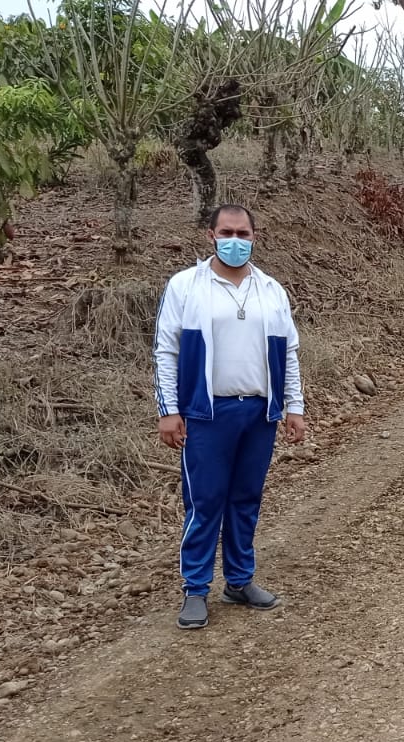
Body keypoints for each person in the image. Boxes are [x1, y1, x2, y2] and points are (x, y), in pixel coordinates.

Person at [154, 204, 307, 630]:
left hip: (258, 412)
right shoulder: (186, 286)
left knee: (245, 499)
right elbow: (166, 350)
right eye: (227, 233)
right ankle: (195, 588)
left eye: (243, 233)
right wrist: (169, 411)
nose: (234, 241)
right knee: (205, 502)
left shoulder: (271, 290)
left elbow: (289, 353)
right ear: (211, 235)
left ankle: (239, 581)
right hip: (206, 412)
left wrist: (294, 406)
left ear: (254, 237)